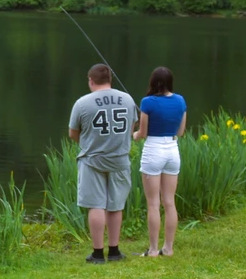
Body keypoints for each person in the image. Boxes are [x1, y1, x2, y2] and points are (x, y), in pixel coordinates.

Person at [68, 63, 136, 264]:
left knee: (95, 205)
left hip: (92, 160)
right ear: (110, 80)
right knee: (115, 205)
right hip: (120, 160)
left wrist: (88, 143)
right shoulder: (128, 99)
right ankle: (114, 251)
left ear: (90, 80)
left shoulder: (82, 103)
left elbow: (73, 133)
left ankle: (98, 253)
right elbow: (132, 127)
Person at [132, 66, 186, 257]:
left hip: (153, 150)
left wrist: (135, 134)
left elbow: (143, 133)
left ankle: (153, 250)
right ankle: (168, 248)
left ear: (153, 82)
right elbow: (180, 132)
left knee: (153, 203)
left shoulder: (147, 102)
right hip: (173, 150)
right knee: (169, 202)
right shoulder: (180, 100)